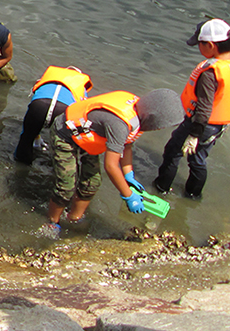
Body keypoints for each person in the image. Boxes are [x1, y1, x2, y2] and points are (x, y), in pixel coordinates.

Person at [42, 88, 183, 238]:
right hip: (66, 133)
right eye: (160, 126)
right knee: (66, 186)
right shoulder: (119, 124)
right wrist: (128, 195)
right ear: (152, 118)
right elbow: (110, 166)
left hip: (88, 136)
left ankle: (74, 218)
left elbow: (127, 146)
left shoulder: (138, 116)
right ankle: (52, 221)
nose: (160, 129)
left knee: (93, 182)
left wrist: (129, 176)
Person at [155, 19, 230, 199]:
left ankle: (161, 188)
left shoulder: (210, 73)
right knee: (198, 160)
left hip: (199, 123)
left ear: (211, 45)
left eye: (200, 44)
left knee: (173, 152)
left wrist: (194, 135)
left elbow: (204, 107)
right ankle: (193, 196)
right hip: (219, 125)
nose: (198, 48)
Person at [14, 66, 93, 164]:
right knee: (64, 147)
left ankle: (21, 168)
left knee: (26, 139)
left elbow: (36, 95)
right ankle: (57, 171)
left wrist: (36, 134)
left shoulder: (47, 78)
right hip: (64, 109)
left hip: (40, 105)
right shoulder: (81, 85)